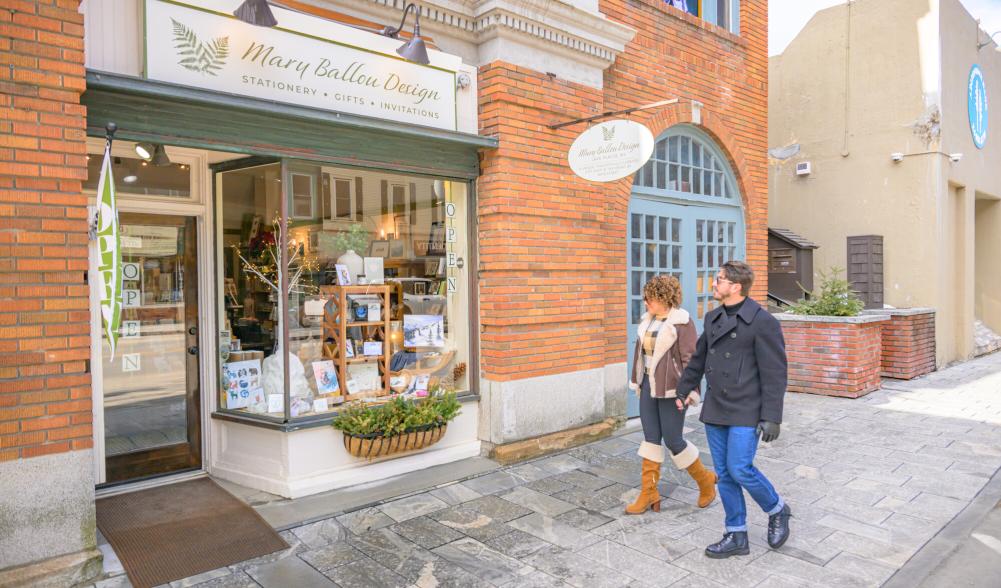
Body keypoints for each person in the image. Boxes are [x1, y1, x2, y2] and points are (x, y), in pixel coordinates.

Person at [674, 261, 791, 558]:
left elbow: (775, 372)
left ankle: (777, 508)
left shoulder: (763, 322)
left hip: (747, 407)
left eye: (719, 280)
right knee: (725, 474)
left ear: (735, 287)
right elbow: (698, 358)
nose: (713, 284)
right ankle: (736, 534)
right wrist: (684, 388)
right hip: (717, 407)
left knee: (740, 468)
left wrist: (772, 417)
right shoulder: (713, 317)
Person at [625, 275, 717, 515]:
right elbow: (640, 356)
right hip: (648, 387)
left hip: (672, 391)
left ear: (663, 298)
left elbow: (690, 360)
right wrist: (636, 382)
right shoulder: (647, 321)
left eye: (650, 298)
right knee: (650, 439)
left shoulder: (682, 322)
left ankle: (705, 481)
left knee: (674, 440)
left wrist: (689, 392)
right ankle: (649, 492)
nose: (645, 302)